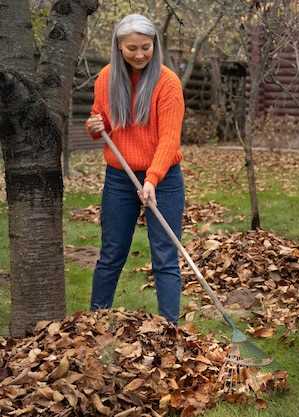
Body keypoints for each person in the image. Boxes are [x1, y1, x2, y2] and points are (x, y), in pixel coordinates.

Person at [85, 14, 185, 323]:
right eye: (132, 48)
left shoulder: (167, 82)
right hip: (119, 177)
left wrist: (152, 178)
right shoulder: (106, 78)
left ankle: (170, 329)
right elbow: (100, 121)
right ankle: (95, 322)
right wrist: (94, 125)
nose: (140, 55)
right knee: (111, 254)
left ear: (154, 45)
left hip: (164, 178)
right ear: (118, 47)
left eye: (146, 47)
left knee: (165, 257)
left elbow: (169, 138)